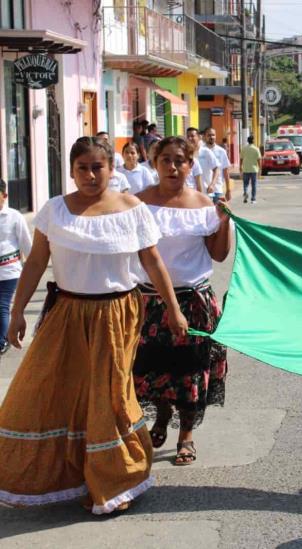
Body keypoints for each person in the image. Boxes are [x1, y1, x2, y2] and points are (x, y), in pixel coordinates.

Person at [0, 136, 187, 514]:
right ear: (71, 171)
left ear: (111, 169)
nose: (89, 175)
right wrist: (17, 311)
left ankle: (114, 480)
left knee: (110, 396)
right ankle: (63, 474)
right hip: (67, 314)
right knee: (51, 389)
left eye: (97, 167)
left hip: (117, 314)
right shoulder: (54, 211)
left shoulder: (132, 209)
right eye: (82, 168)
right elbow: (35, 263)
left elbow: (152, 262)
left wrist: (173, 308)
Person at [134, 136, 231, 466]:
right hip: (147, 301)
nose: (173, 167)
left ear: (191, 165)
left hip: (194, 301)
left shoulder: (203, 204)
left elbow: (218, 255)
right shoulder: (137, 203)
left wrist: (224, 221)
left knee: (190, 371)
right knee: (154, 368)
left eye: (180, 160)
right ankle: (160, 419)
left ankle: (186, 436)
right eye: (166, 160)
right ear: (155, 163)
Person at [0, 179, 31, 354]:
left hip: (9, 270)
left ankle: (2, 341)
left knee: (2, 305)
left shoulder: (14, 216)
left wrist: (32, 265)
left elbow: (26, 243)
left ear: (4, 196)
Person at [186, 128, 219, 196]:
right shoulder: (185, 154)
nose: (190, 138)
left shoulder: (206, 152)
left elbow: (216, 169)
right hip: (191, 194)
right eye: (188, 136)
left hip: (206, 193)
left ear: (199, 137)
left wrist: (212, 185)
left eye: (192, 136)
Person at [204, 127, 232, 203]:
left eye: (213, 135)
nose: (211, 137)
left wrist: (228, 190)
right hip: (204, 190)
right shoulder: (200, 151)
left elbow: (226, 171)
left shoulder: (221, 151)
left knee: (218, 214)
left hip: (217, 190)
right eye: (209, 135)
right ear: (205, 136)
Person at [241, 135, 262, 204]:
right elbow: (259, 160)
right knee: (254, 184)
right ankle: (253, 199)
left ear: (247, 141)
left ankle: (246, 193)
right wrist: (260, 169)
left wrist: (240, 167)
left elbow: (241, 159)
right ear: (253, 141)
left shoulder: (243, 148)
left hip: (246, 169)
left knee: (245, 184)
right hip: (254, 169)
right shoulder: (256, 149)